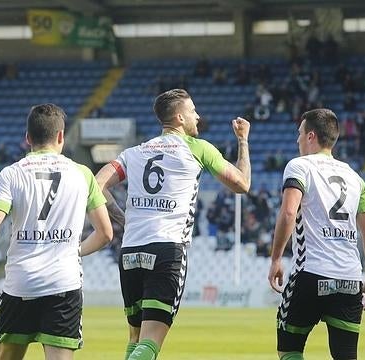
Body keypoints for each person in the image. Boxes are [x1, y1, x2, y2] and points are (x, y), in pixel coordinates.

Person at [94, 88, 251, 360]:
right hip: (166, 249)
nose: (198, 117)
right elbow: (242, 184)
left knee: (135, 337)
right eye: (193, 111)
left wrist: (123, 218)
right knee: (150, 342)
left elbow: (97, 185)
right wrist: (243, 142)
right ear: (179, 117)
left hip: (131, 251)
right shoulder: (198, 148)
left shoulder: (135, 152)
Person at [0, 103, 113, 360]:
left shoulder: (11, 174)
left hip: (21, 285)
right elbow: (106, 233)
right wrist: (75, 250)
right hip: (64, 285)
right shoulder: (83, 174)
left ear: (28, 138)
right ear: (61, 136)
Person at [267, 108, 365, 360]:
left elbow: (288, 213)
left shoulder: (299, 166)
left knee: (289, 348)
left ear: (311, 136)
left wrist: (276, 259)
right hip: (350, 279)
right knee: (346, 355)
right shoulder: (354, 177)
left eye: (299, 134)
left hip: (310, 273)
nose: (297, 140)